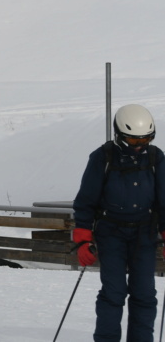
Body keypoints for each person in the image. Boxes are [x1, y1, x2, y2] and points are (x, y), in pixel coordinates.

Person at [73, 104, 165, 341]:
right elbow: (86, 201)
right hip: (111, 233)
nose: (141, 146)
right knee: (113, 293)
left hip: (144, 234)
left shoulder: (156, 158)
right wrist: (83, 240)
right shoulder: (102, 157)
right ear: (120, 135)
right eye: (134, 141)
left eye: (146, 139)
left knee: (144, 294)